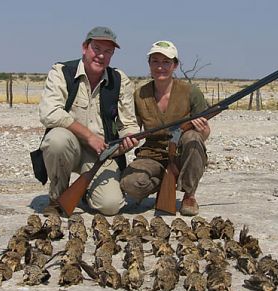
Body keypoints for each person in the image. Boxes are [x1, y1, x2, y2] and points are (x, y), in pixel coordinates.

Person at [39, 26, 139, 216]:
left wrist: (128, 140)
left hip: (102, 153)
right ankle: (57, 197)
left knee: (111, 207)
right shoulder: (61, 71)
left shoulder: (120, 80)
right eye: (97, 48)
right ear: (85, 47)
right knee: (56, 140)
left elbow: (129, 125)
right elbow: (49, 113)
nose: (101, 55)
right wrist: (89, 136)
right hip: (70, 146)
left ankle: (84, 191)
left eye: (108, 51)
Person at [120, 40, 210, 216]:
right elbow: (132, 126)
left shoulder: (191, 92)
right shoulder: (139, 94)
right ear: (149, 64)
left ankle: (189, 195)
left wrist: (201, 129)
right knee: (130, 184)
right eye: (155, 61)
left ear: (175, 65)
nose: (160, 67)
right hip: (152, 153)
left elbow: (205, 134)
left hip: (182, 151)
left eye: (166, 62)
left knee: (193, 138)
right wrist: (128, 137)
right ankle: (164, 183)